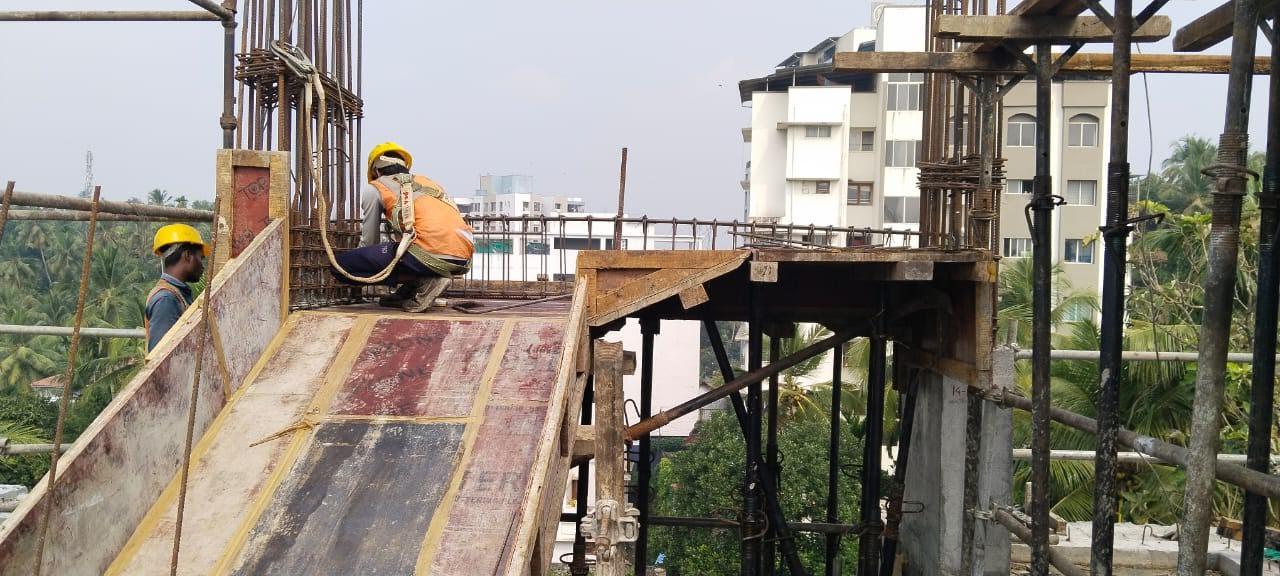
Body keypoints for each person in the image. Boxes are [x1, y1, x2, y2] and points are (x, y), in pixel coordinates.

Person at [331, 141, 474, 311]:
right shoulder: (428, 182)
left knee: (340, 266)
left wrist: (361, 259)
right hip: (463, 257)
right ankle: (412, 290)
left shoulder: (377, 187)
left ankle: (424, 281)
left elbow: (369, 240)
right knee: (404, 250)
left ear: (376, 171)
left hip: (428, 254)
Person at [146, 224, 209, 352]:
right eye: (200, 257)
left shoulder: (178, 294)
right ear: (187, 255)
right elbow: (161, 357)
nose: (202, 266)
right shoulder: (166, 300)